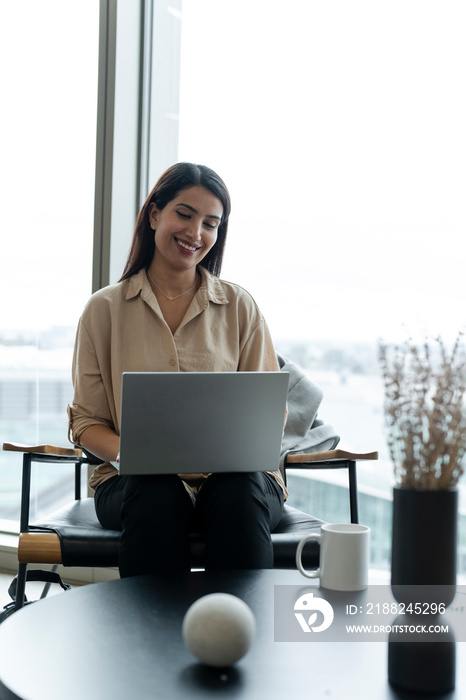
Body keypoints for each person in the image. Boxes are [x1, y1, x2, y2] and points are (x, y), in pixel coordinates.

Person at [68, 162, 287, 576]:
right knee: (155, 490)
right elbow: (86, 423)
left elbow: (268, 417)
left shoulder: (241, 307)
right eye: (184, 215)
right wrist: (134, 456)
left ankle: (239, 634)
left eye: (211, 223)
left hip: (234, 482)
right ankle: (152, 635)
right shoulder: (104, 311)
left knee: (239, 490)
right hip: (133, 483)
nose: (195, 233)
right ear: (155, 215)